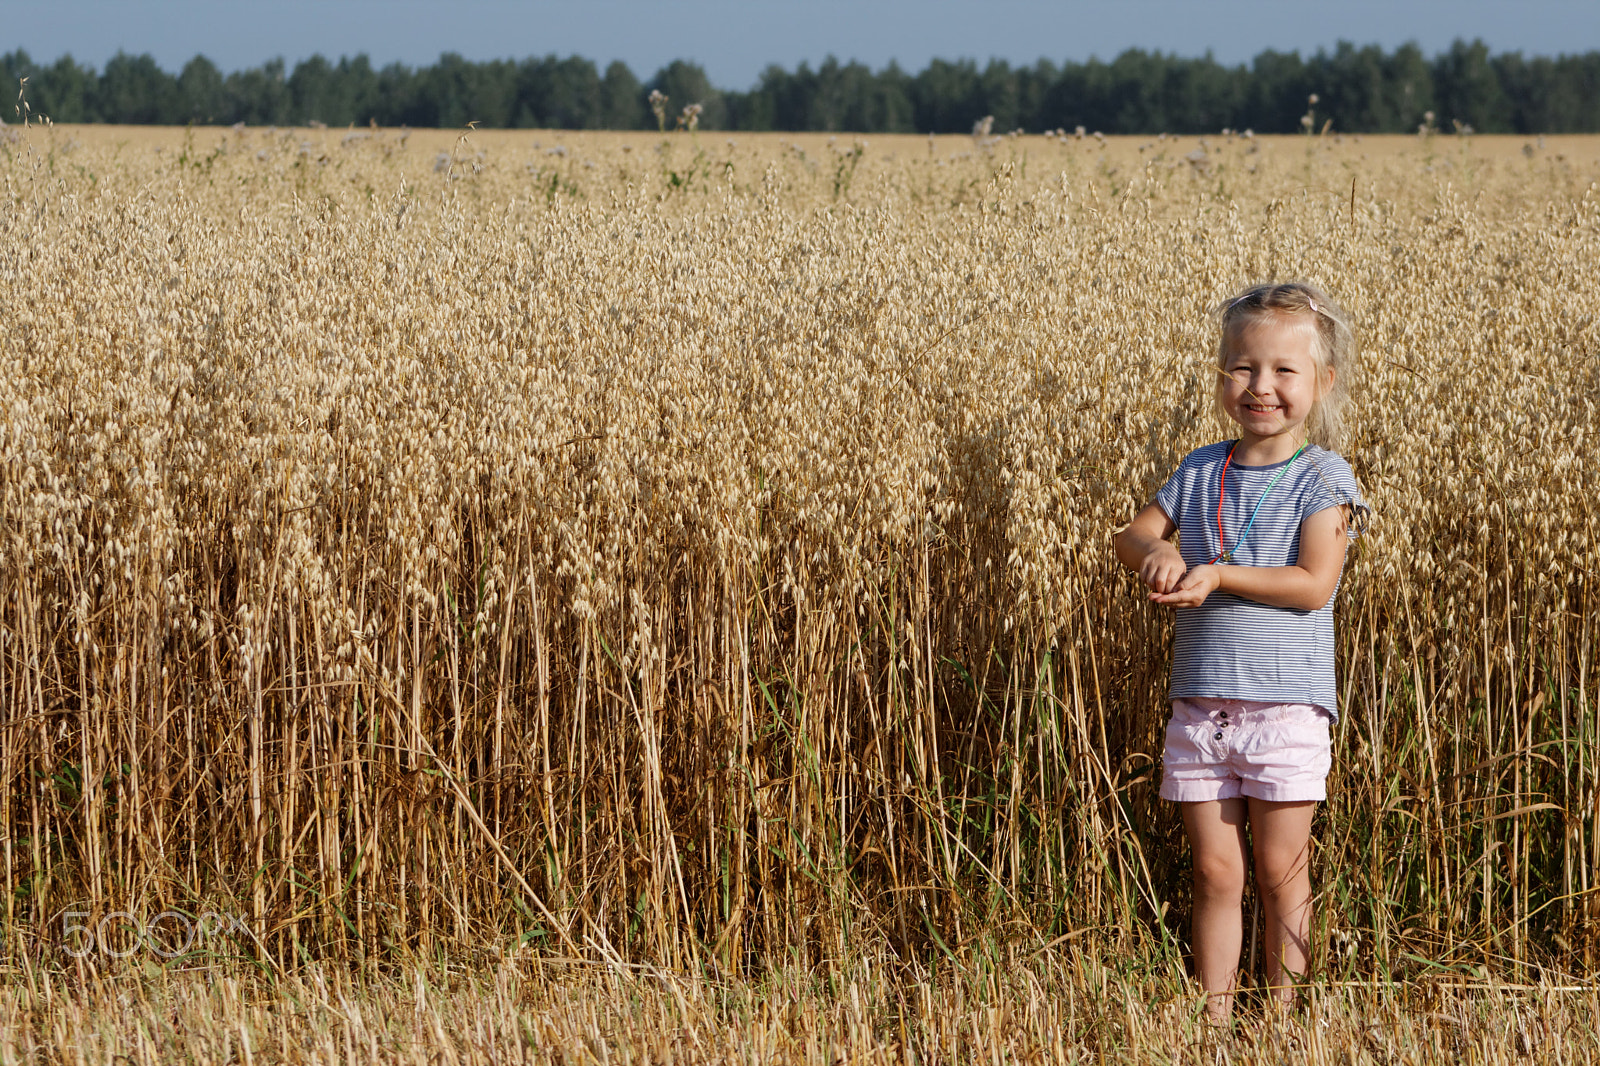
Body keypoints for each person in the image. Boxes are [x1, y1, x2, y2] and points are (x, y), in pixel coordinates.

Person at [1112, 280, 1369, 1023]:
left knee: (1280, 869)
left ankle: (1284, 1017)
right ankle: (1214, 1018)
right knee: (1214, 870)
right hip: (1200, 709)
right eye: (1243, 368)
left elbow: (1315, 582)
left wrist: (1218, 571)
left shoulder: (1323, 478)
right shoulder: (1199, 470)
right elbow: (1131, 537)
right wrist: (1156, 552)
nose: (1261, 387)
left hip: (1286, 711)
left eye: (1284, 371)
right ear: (1223, 374)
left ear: (1321, 384)